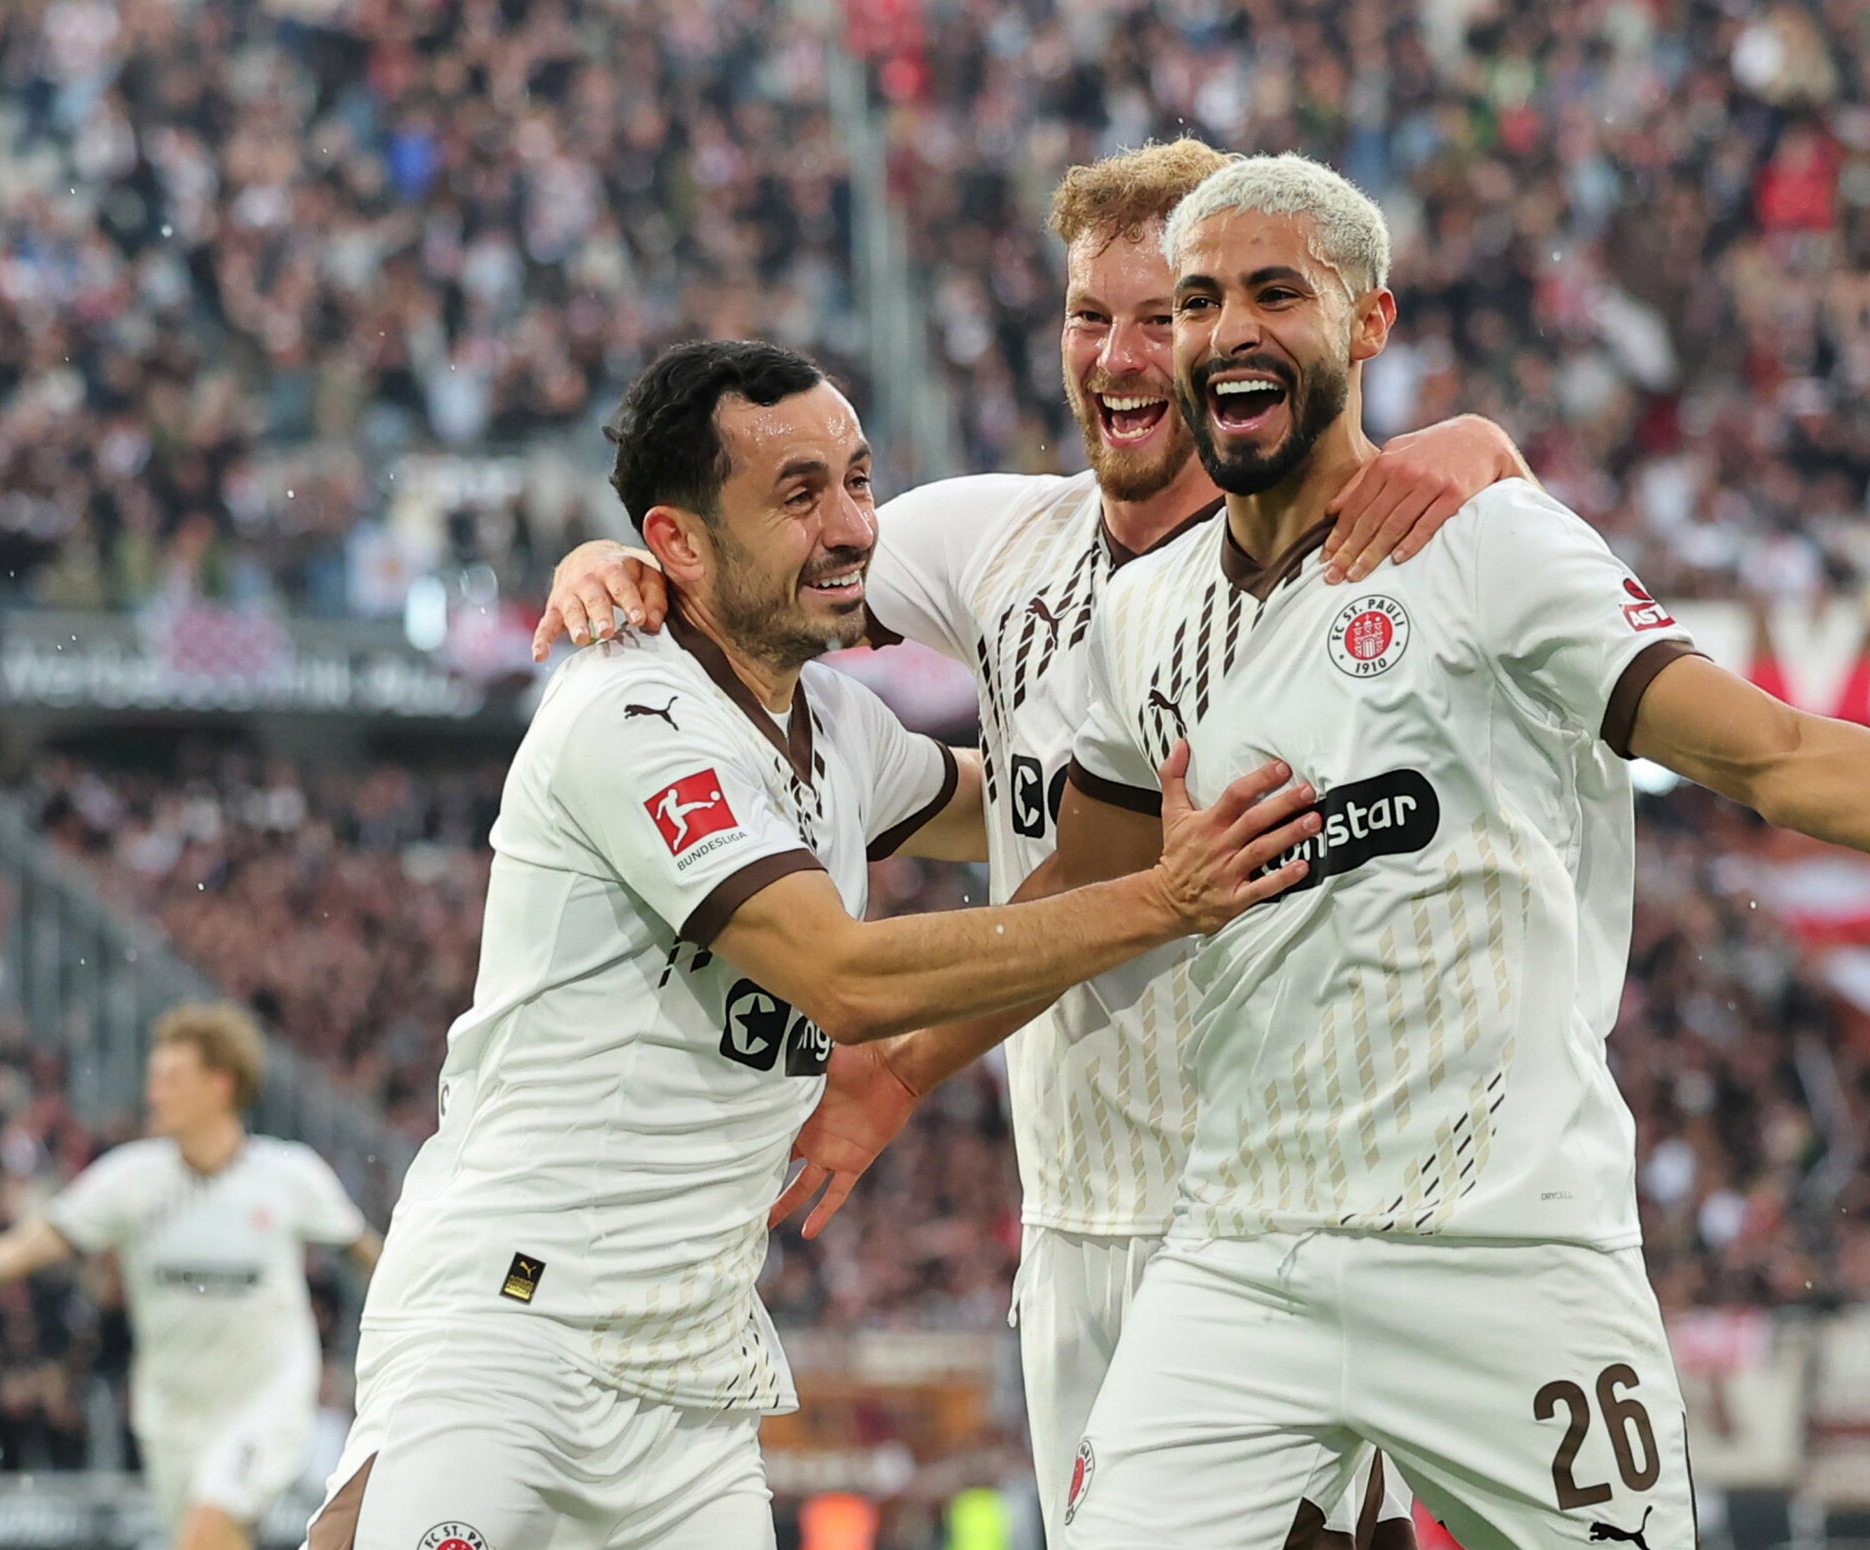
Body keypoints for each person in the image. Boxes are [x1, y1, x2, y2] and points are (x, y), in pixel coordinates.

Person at [1037, 153, 1870, 1550]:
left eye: (1273, 292)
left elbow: (1766, 751)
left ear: (1367, 325)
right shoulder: (1138, 619)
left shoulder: (1490, 547)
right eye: (1196, 301)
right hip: (1240, 1252)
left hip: (1506, 1251)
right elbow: (1088, 908)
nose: (1226, 329)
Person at [534, 138, 1530, 1547]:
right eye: (1089, 316)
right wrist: (621, 563)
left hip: (1281, 1214)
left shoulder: (1348, 554)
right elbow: (756, 556)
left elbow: (1526, 570)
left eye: (1158, 315)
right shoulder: (997, 540)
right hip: (1073, 1222)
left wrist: (1479, 444)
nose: (1123, 357)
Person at [309, 339, 1316, 1550]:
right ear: (677, 543)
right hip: (512, 1328)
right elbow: (844, 975)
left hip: (693, 1378)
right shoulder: (631, 715)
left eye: (858, 478)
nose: (852, 527)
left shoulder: (833, 718)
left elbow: (1034, 803)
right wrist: (1168, 897)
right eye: (800, 496)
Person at [0, 1004, 381, 1550]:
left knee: (206, 1533)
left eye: (171, 1079)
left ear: (220, 1085)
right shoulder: (131, 1181)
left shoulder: (290, 1176)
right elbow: (19, 1252)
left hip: (264, 1401)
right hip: (170, 1415)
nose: (154, 1094)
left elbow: (373, 1257)